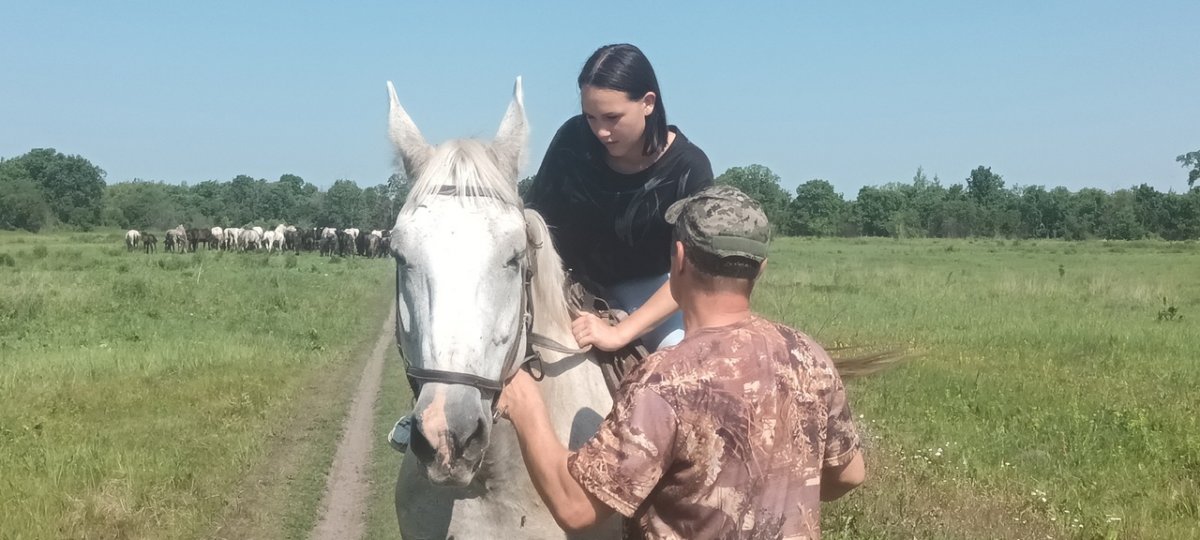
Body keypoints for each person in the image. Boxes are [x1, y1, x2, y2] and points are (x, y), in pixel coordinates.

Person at [498, 185, 866, 538]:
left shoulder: (665, 381)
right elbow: (848, 474)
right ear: (761, 267)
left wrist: (526, 406)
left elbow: (576, 507)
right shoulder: (807, 355)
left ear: (678, 258)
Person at [525, 42, 714, 353]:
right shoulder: (572, 140)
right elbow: (534, 222)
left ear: (648, 103)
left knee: (684, 363)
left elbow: (692, 272)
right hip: (563, 284)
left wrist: (620, 333)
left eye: (612, 117)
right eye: (590, 117)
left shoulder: (689, 168)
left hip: (651, 293)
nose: (600, 131)